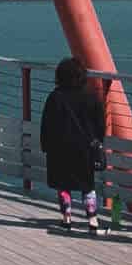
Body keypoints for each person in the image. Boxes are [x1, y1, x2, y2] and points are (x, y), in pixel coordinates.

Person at [38, 55, 107, 234]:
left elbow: (47, 124)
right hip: (85, 148)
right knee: (87, 185)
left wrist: (45, 145)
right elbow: (100, 124)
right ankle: (93, 220)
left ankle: (66, 218)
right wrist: (98, 141)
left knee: (63, 184)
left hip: (60, 148)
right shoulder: (92, 97)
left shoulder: (55, 97)